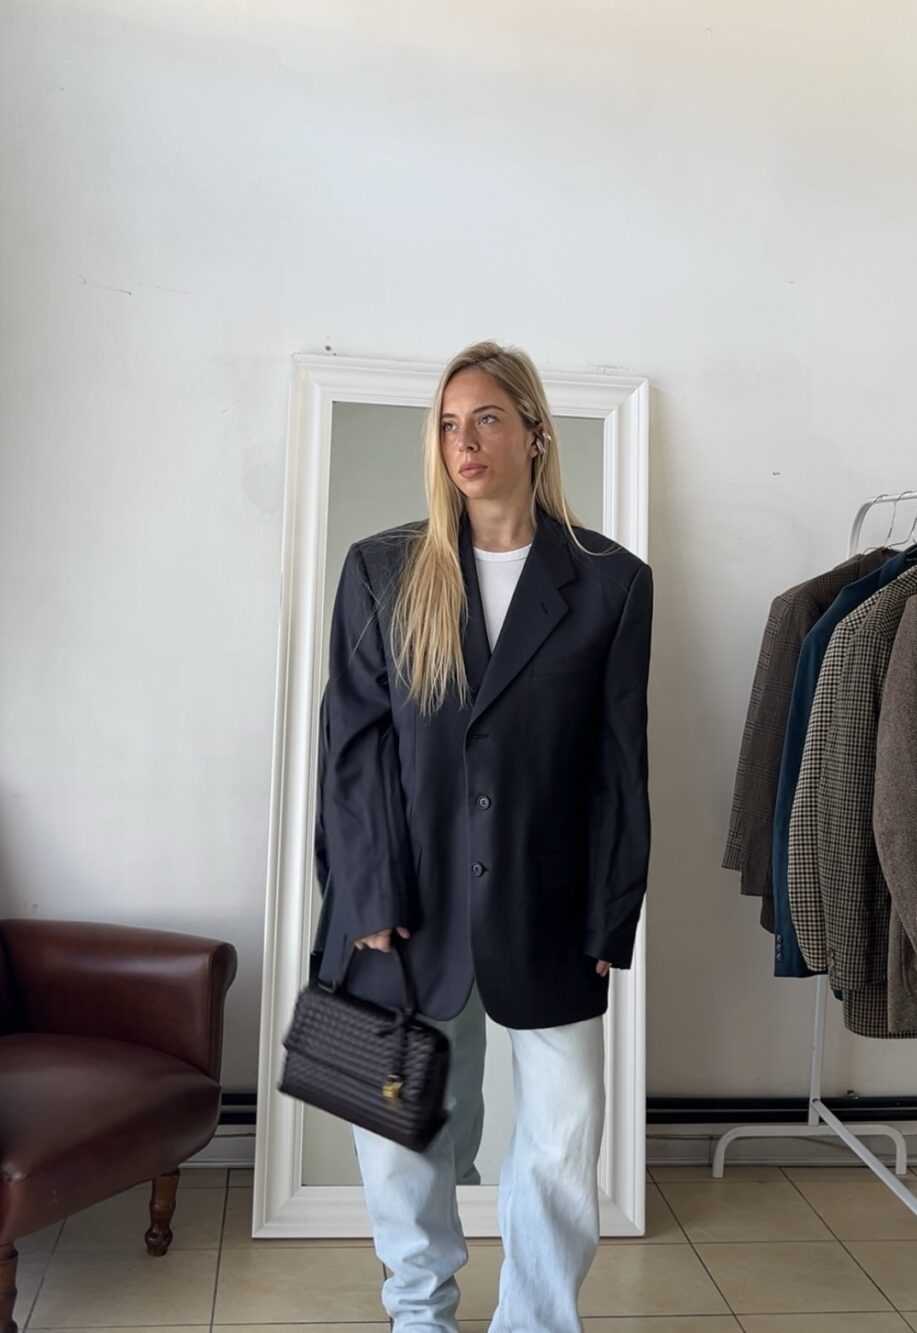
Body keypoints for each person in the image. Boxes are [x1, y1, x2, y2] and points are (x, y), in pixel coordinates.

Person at [312, 339, 653, 1332]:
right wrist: (364, 896)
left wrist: (610, 914)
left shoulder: (612, 583)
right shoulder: (381, 569)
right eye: (449, 424)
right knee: (396, 1125)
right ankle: (419, 1311)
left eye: (488, 418)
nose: (464, 441)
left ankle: (536, 1321)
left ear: (536, 434)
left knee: (560, 1137)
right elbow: (352, 751)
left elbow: (618, 766)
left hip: (550, 903)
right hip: (398, 901)